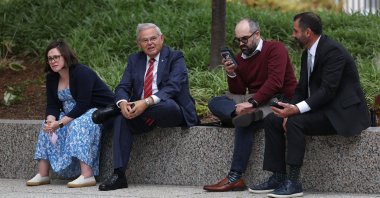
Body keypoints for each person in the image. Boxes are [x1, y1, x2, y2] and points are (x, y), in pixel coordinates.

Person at [249, 12, 371, 198]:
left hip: (340, 113)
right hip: (322, 108)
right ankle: (278, 176)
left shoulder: (333, 52)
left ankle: (294, 182)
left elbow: (327, 91)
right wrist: (288, 108)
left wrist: (295, 111)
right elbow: (301, 88)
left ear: (308, 32)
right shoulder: (308, 52)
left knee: (294, 122)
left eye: (295, 31)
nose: (293, 34)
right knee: (273, 119)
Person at [98, 23, 199, 191]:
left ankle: (118, 109)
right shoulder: (134, 60)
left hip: (171, 112)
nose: (150, 43)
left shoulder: (175, 57)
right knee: (121, 118)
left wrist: (146, 102)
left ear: (161, 39)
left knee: (166, 105)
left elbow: (173, 87)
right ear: (139, 44)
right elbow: (123, 87)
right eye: (145, 40)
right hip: (141, 115)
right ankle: (119, 175)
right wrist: (123, 103)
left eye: (153, 38)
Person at [203, 19, 297, 192]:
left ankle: (234, 177)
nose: (241, 43)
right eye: (238, 40)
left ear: (257, 34)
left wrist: (252, 102)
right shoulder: (240, 58)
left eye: (244, 39)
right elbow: (238, 90)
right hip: (254, 102)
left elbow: (275, 83)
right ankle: (240, 115)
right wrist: (232, 74)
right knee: (216, 102)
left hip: (279, 101)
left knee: (243, 122)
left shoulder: (275, 49)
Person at [26, 41, 115, 188]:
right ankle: (43, 174)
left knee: (80, 123)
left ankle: (87, 175)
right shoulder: (52, 78)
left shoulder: (82, 73)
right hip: (73, 114)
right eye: (50, 58)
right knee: (46, 125)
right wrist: (51, 120)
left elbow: (83, 104)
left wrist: (60, 123)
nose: (53, 61)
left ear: (66, 56)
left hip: (99, 111)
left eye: (56, 57)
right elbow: (52, 105)